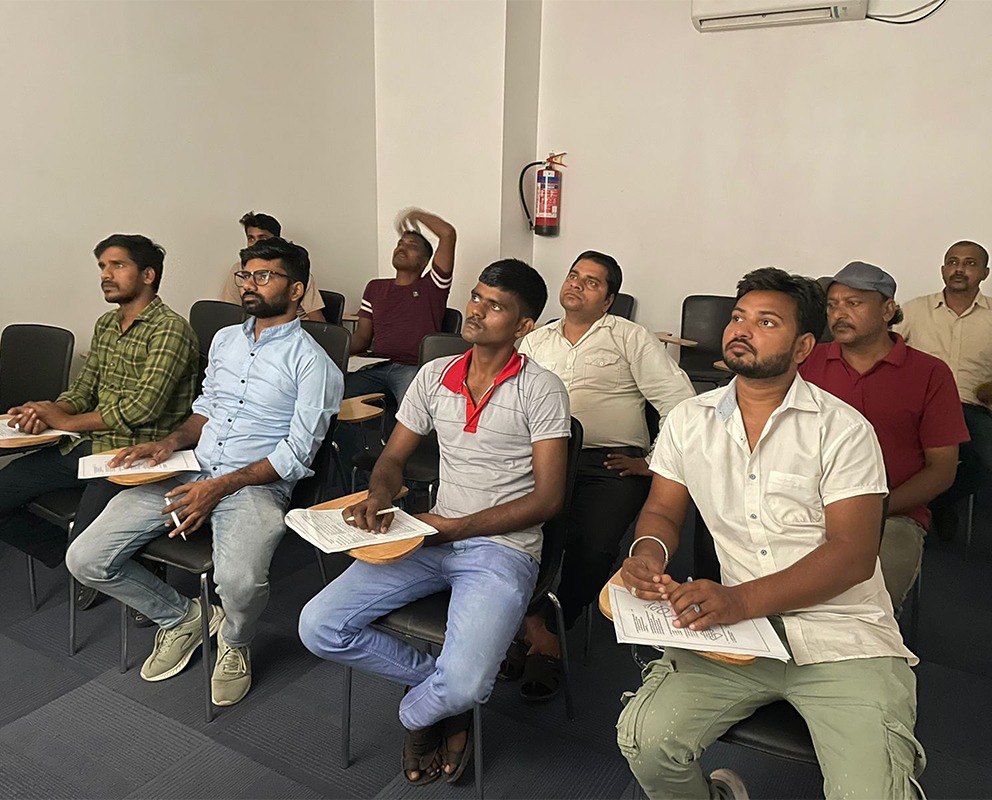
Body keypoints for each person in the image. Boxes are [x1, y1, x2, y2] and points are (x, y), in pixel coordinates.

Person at [617, 268, 923, 800]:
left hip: (841, 634)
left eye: (766, 322)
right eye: (738, 317)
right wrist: (648, 553)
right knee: (645, 740)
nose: (742, 329)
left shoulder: (843, 430)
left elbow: (852, 556)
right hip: (738, 636)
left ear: (803, 346)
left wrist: (738, 600)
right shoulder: (689, 420)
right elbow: (663, 510)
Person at [299, 259, 570, 786]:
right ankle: (442, 693)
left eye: (496, 306)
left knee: (467, 685)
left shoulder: (542, 389)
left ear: (523, 326)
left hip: (502, 549)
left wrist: (452, 528)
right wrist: (381, 494)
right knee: (317, 626)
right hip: (430, 536)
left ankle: (423, 711)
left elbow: (547, 501)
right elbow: (393, 458)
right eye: (477, 296)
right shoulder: (434, 374)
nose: (477, 310)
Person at [67, 237, 342, 707]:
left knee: (240, 583)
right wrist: (170, 442)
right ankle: (183, 618)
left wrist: (220, 487)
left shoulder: (314, 364)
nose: (249, 284)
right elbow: (207, 408)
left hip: (254, 486)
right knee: (85, 558)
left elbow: (297, 455)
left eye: (263, 275)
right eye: (245, 274)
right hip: (190, 471)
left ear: (297, 290)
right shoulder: (225, 340)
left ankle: (234, 641)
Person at [514, 250, 694, 699]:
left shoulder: (630, 337)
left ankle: (551, 627)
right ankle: (530, 626)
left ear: (609, 300)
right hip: (545, 459)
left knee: (591, 546)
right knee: (517, 534)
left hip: (610, 465)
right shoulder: (535, 341)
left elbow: (680, 403)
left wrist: (653, 460)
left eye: (592, 282)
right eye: (574, 275)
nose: (577, 284)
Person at [0, 234, 197, 591]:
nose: (106, 274)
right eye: (103, 267)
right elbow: (83, 390)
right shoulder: (107, 324)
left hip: (134, 456)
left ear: (148, 275)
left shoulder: (170, 328)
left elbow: (143, 408)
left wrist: (66, 421)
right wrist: (47, 411)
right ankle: (70, 555)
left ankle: (103, 565)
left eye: (117, 265)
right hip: (89, 446)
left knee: (91, 549)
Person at [801, 262, 967, 616]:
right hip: (804, 506)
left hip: (892, 515)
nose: (839, 314)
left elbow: (942, 470)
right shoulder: (807, 362)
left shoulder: (930, 373)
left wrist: (875, 508)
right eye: (832, 305)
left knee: (866, 607)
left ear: (888, 310)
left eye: (853, 303)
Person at [895, 240, 992, 537]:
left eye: (970, 263)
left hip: (970, 408)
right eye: (952, 262)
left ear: (985, 273)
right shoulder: (915, 310)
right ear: (942, 270)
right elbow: (883, 349)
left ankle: (936, 502)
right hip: (917, 406)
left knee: (986, 462)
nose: (959, 269)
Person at [347, 208, 457, 405]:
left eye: (411, 245)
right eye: (400, 243)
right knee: (332, 394)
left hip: (414, 368)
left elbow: (447, 234)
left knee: (410, 412)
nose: (402, 248)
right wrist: (334, 351)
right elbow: (362, 337)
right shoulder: (375, 287)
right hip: (376, 365)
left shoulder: (433, 286)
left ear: (424, 261)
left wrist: (416, 215)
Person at [220, 210, 326, 321]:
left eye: (262, 238)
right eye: (251, 238)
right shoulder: (238, 269)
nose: (256, 243)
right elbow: (230, 310)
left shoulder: (294, 270)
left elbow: (317, 321)